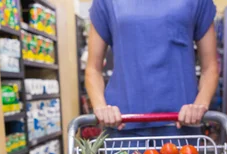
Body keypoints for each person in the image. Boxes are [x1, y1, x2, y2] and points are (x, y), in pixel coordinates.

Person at [85, 0, 219, 136]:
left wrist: (200, 105)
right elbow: (93, 69)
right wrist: (101, 108)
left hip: (181, 125)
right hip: (122, 125)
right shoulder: (106, 2)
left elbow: (210, 67)